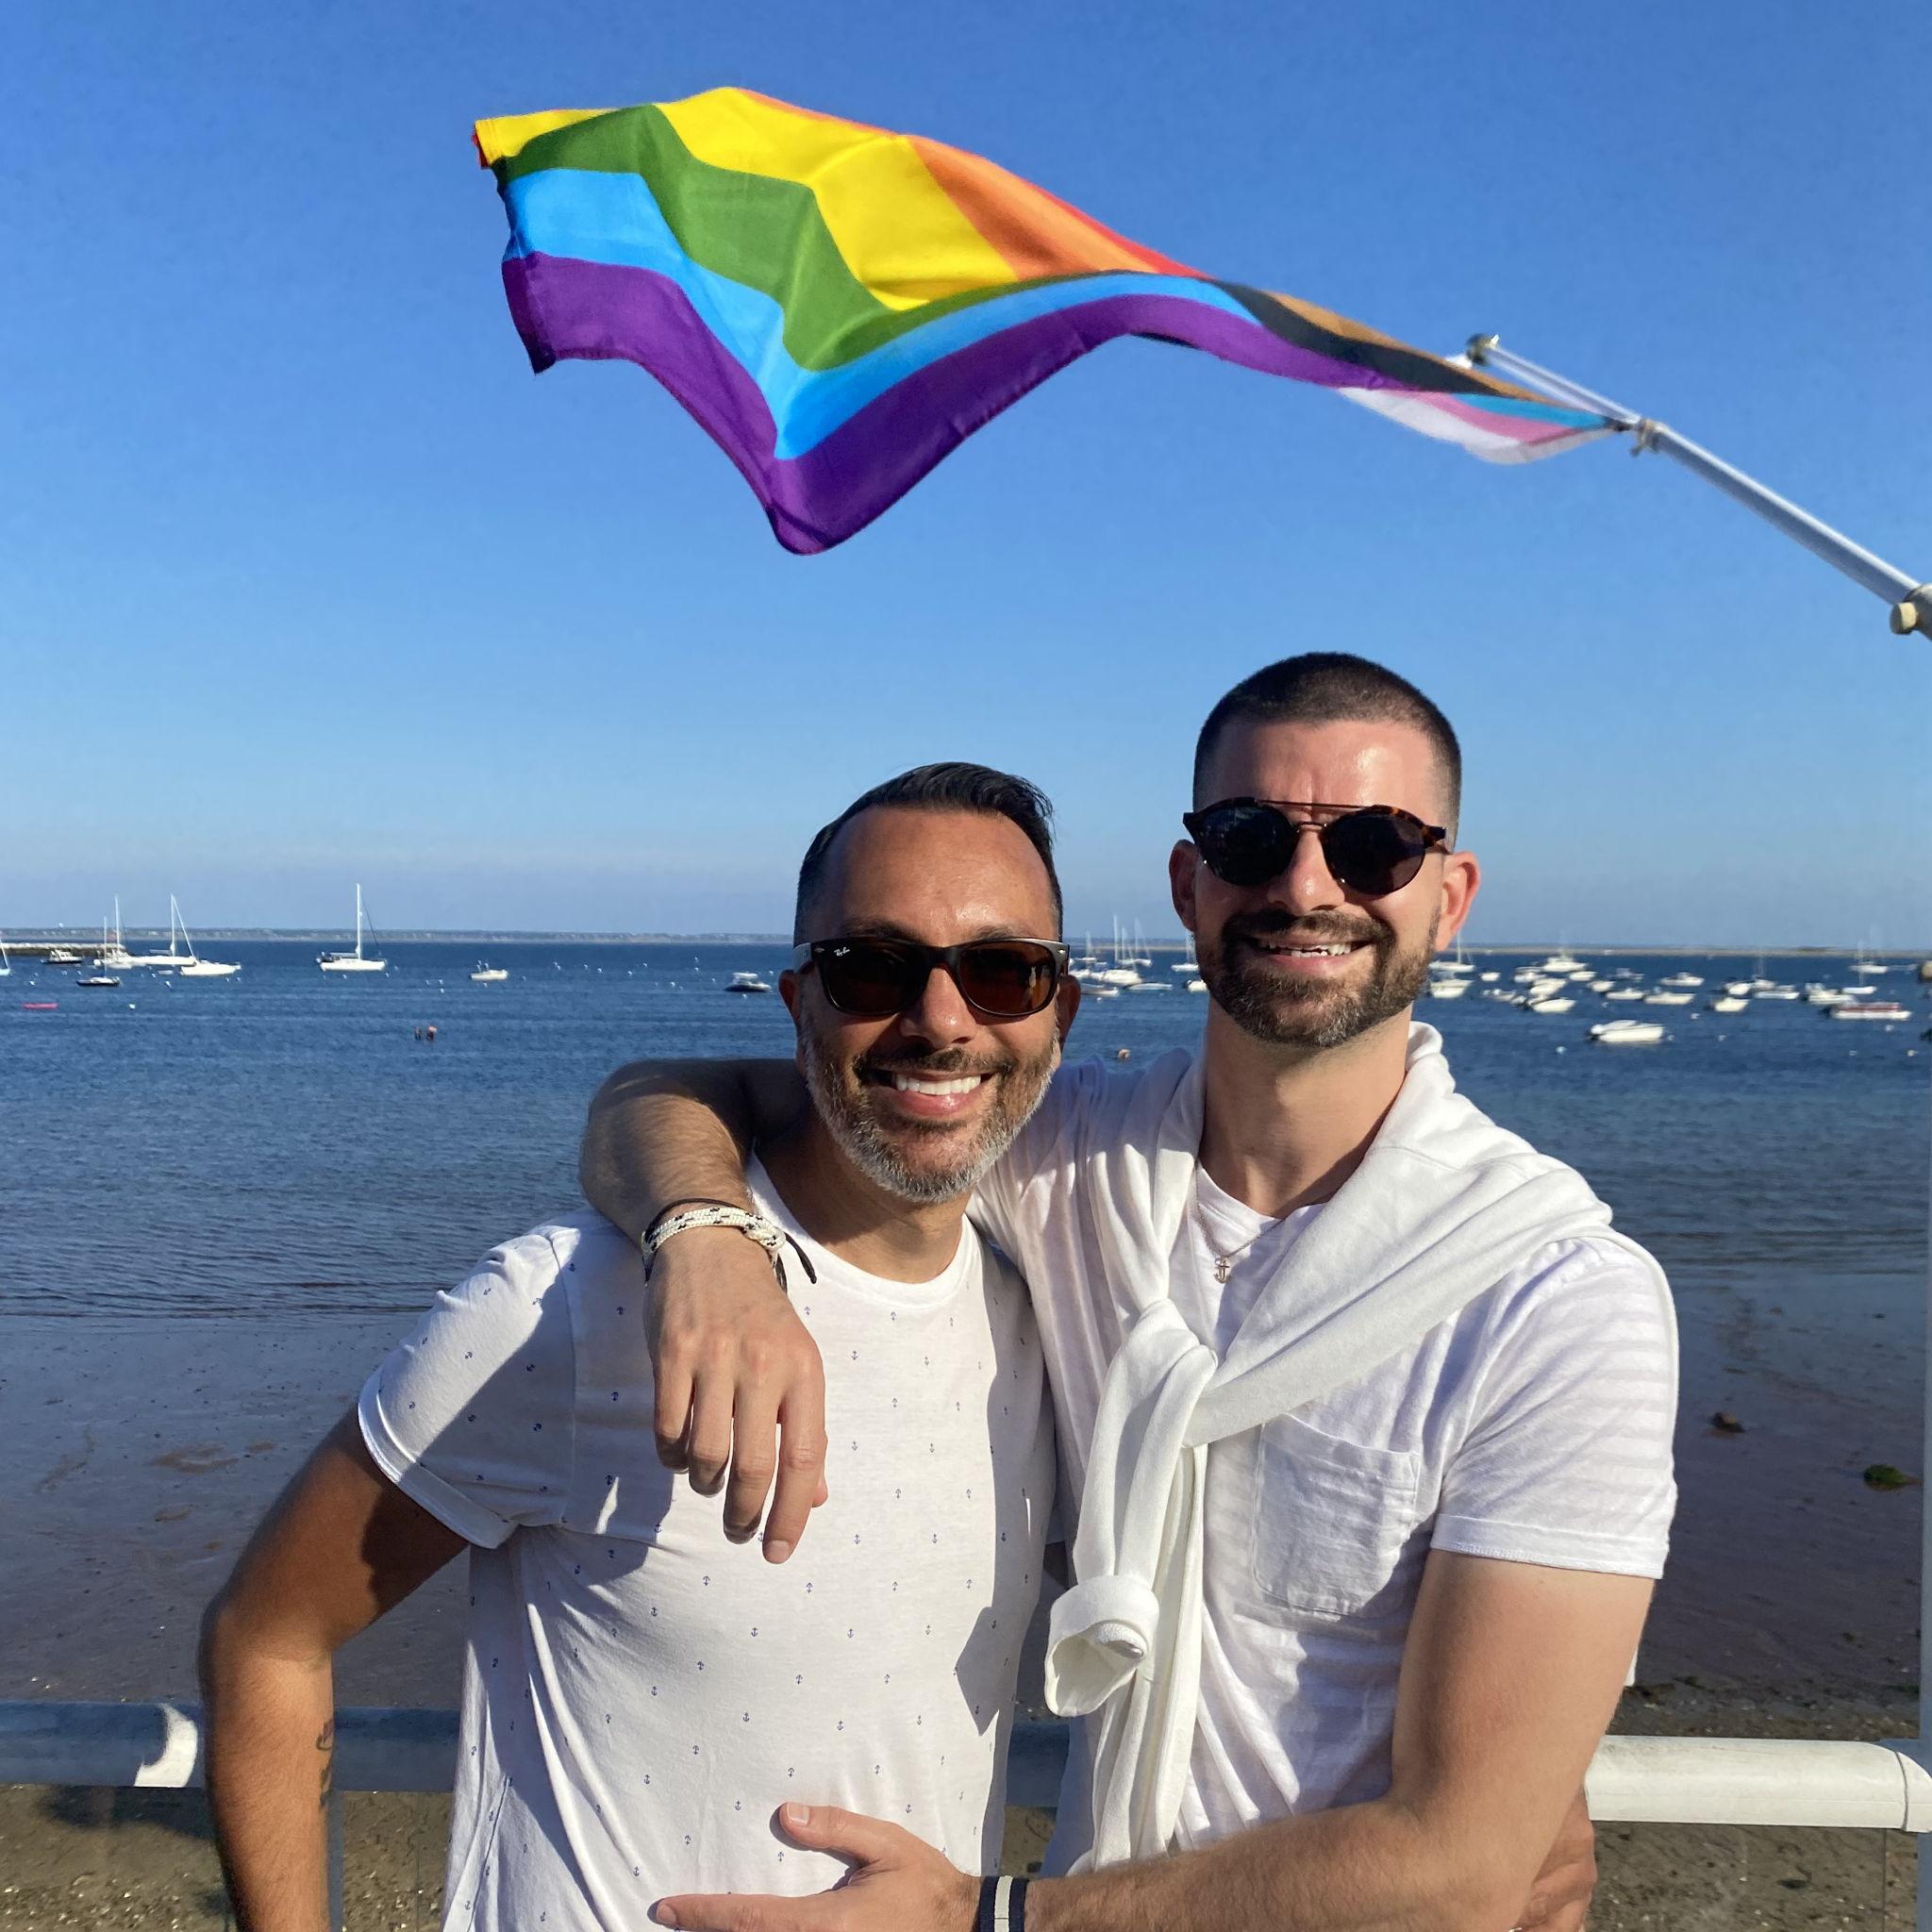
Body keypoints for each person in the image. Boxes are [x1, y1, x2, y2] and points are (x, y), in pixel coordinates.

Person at [580, 653, 1675, 1932]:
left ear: (1452, 892)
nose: (1307, 888)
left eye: (1375, 844)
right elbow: (668, 1093)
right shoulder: (1068, 1157)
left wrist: (992, 1919)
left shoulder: (1550, 1296)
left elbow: (1466, 1864)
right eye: (1252, 837)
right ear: (1188, 881)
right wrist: (710, 1240)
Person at [196, 764, 1072, 1929]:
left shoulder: (1040, 1316)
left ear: (1061, 1011)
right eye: (872, 966)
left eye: (1002, 970)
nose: (941, 1017)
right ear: (796, 1000)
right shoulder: (567, 1301)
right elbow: (270, 1636)